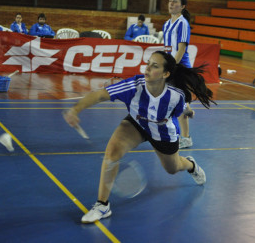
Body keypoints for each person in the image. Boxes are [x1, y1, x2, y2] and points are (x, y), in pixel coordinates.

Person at [63, 51, 215, 224]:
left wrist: (187, 110)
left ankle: (191, 164)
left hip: (162, 131)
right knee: (112, 153)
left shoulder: (175, 95)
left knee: (173, 168)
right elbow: (100, 94)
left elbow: (180, 108)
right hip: (137, 124)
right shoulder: (134, 85)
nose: (147, 68)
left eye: (155, 66)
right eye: (148, 63)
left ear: (166, 74)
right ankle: (102, 205)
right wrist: (75, 110)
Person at [163, 0, 193, 149]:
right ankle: (187, 107)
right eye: (170, 1)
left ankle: (186, 138)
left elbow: (181, 50)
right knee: (172, 101)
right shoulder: (166, 24)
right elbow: (167, 48)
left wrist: (171, 68)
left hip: (179, 68)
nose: (171, 3)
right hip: (170, 66)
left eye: (175, 2)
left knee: (178, 103)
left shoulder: (182, 24)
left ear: (182, 7)